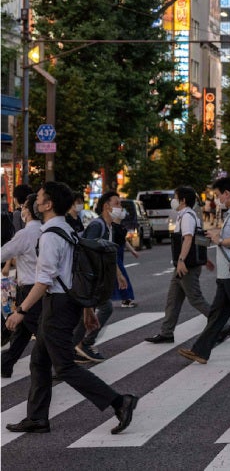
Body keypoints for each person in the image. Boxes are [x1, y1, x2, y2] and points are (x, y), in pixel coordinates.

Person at [4, 181, 137, 435]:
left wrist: (20, 311)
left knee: (64, 366)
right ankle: (37, 418)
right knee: (39, 361)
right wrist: (87, 310)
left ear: (48, 204)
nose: (36, 201)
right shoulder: (66, 229)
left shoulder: (51, 236)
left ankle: (120, 402)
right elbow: (74, 274)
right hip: (65, 303)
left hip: (57, 306)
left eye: (40, 197)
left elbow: (45, 279)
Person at [178, 177, 230, 364]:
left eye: (219, 195)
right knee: (217, 315)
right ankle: (201, 351)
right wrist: (217, 234)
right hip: (226, 274)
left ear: (227, 193)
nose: (218, 199)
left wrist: (220, 240)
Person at [146, 187, 211, 344]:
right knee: (173, 299)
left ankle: (221, 326)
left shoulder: (187, 216)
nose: (173, 200)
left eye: (175, 197)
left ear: (182, 200)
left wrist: (181, 260)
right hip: (182, 265)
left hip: (185, 266)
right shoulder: (186, 215)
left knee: (195, 299)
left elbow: (188, 238)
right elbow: (198, 238)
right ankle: (167, 332)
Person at [73, 192, 129, 362]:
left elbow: (108, 256)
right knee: (105, 308)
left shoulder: (109, 226)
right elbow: (86, 254)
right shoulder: (98, 226)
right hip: (90, 280)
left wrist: (118, 275)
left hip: (97, 280)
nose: (120, 208)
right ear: (106, 206)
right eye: (117, 204)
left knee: (91, 313)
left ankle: (75, 347)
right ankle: (82, 345)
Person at [1, 194, 43, 378]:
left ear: (29, 210)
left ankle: (62, 363)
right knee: (23, 331)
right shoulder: (46, 230)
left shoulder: (26, 233)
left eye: (24, 207)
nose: (22, 210)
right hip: (41, 289)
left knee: (41, 333)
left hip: (29, 289)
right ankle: (6, 363)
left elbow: (4, 252)